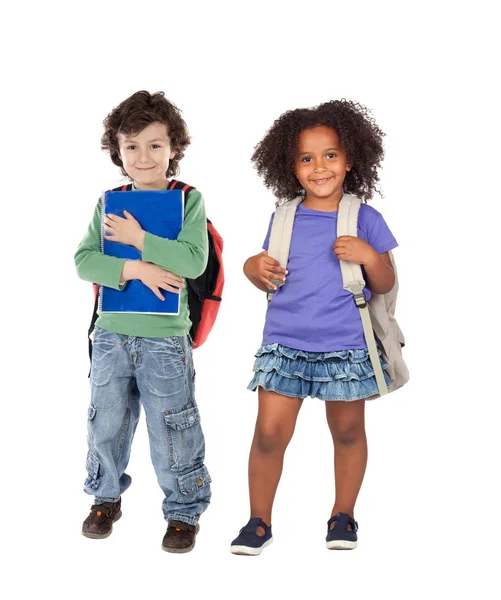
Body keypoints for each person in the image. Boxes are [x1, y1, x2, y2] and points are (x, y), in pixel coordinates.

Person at [230, 100, 398, 555]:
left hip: (345, 348)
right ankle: (258, 521)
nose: (319, 167)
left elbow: (385, 282)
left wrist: (369, 257)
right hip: (284, 343)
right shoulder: (283, 216)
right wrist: (251, 266)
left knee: (346, 432)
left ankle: (343, 515)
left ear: (350, 159)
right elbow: (265, 271)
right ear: (290, 166)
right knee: (268, 434)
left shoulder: (364, 217)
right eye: (306, 158)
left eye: (330, 155)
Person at [75, 90, 211, 553]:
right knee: (106, 420)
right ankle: (105, 497)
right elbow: (84, 261)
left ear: (174, 149)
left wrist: (139, 239)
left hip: (165, 338)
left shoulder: (188, 200)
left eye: (155, 144)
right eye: (131, 146)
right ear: (118, 151)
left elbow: (194, 262)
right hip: (111, 334)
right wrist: (136, 268)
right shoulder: (109, 200)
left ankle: (183, 512)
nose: (143, 156)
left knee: (172, 423)